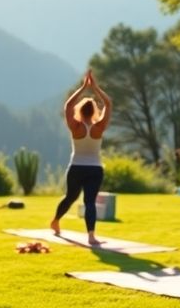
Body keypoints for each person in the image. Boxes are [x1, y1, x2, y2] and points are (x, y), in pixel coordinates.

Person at [51, 70, 111, 245]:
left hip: (76, 167)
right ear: (94, 111)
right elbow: (108, 103)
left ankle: (55, 221)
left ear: (81, 110)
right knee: (89, 202)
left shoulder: (75, 127)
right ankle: (91, 236)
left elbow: (68, 106)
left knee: (70, 197)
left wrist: (83, 88)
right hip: (95, 169)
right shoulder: (99, 127)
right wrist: (96, 88)